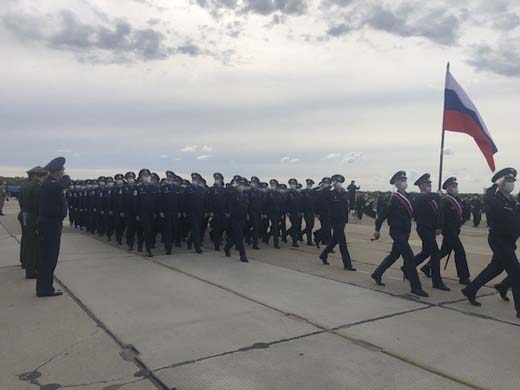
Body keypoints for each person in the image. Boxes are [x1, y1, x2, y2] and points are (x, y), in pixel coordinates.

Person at [461, 168, 520, 319]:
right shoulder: (494, 198)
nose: (511, 184)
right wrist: (495, 184)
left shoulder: (511, 200)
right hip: (499, 240)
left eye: (513, 181)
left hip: (508, 240)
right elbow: (487, 198)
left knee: (495, 269)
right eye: (508, 181)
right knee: (516, 273)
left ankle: (471, 289)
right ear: (500, 182)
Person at [371, 170, 428, 297]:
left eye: (405, 180)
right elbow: (381, 216)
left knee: (394, 255)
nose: (404, 182)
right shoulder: (392, 198)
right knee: (409, 257)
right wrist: (377, 230)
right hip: (396, 231)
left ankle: (377, 273)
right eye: (401, 180)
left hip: (405, 231)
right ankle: (416, 287)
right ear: (396, 183)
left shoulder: (409, 197)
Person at [36, 157, 69, 297]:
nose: (63, 172)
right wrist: (65, 178)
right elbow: (63, 184)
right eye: (62, 170)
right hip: (50, 225)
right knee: (48, 258)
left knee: (48, 258)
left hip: (51, 224)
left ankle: (45, 287)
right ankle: (45, 289)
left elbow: (61, 185)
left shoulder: (51, 183)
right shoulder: (49, 184)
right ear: (57, 171)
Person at [412, 173, 450, 291]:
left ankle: (409, 266)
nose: (429, 185)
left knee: (425, 252)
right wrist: (437, 195)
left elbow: (439, 212)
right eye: (427, 183)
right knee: (435, 253)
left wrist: (439, 226)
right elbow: (425, 198)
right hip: (423, 228)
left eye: (430, 183)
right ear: (421, 185)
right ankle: (437, 281)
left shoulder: (434, 198)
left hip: (432, 228)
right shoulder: (420, 197)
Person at [437, 177, 471, 285]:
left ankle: (427, 266)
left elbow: (461, 213)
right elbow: (441, 215)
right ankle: (463, 277)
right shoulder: (445, 199)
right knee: (460, 251)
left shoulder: (457, 199)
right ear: (447, 187)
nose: (455, 187)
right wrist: (440, 227)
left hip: (455, 229)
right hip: (449, 230)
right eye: (452, 186)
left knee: (444, 251)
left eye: (456, 185)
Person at [318, 174, 356, 270]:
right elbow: (321, 194)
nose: (338, 183)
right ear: (333, 183)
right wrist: (330, 185)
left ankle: (323, 255)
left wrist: (347, 218)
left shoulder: (344, 193)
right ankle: (347, 264)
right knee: (342, 242)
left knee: (335, 240)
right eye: (336, 182)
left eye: (339, 182)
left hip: (342, 220)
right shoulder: (330, 193)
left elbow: (346, 206)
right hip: (334, 220)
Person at [19, 166, 48, 277]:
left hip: (24, 214)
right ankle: (31, 270)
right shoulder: (37, 187)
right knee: (33, 244)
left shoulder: (25, 186)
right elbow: (37, 205)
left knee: (26, 240)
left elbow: (21, 202)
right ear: (44, 175)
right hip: (32, 217)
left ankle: (25, 262)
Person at [224, 178, 249, 262]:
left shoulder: (245, 194)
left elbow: (246, 206)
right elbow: (227, 200)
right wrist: (232, 187)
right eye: (240, 185)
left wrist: (247, 214)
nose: (242, 187)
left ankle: (227, 247)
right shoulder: (233, 193)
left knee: (236, 236)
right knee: (239, 236)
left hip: (243, 217)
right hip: (234, 217)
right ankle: (243, 255)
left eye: (243, 185)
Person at [286, 178, 304, 248]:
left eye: (293, 184)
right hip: (291, 212)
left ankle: (288, 236)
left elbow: (301, 203)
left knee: (296, 226)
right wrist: (287, 211)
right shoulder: (288, 193)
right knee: (295, 226)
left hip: (297, 212)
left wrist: (301, 211)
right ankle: (294, 242)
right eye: (291, 184)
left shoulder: (298, 193)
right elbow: (286, 203)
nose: (292, 185)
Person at [301, 179, 316, 246]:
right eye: (308, 184)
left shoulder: (313, 192)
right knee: (309, 225)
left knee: (311, 225)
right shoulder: (303, 191)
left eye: (310, 184)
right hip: (306, 211)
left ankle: (300, 234)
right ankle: (309, 241)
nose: (309, 185)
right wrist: (302, 211)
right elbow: (301, 202)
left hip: (312, 211)